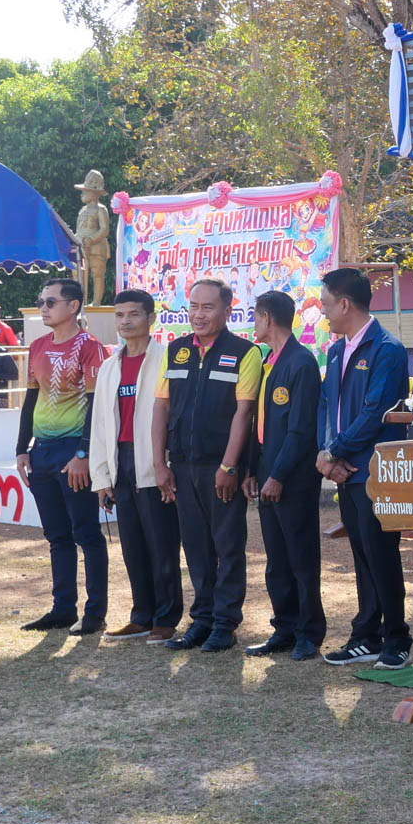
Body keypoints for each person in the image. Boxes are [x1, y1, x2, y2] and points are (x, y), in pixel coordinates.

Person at [152, 277, 263, 654]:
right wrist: (160, 463)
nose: (198, 315)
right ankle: (201, 619)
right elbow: (161, 406)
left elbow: (244, 413)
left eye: (208, 307)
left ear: (228, 310)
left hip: (220, 468)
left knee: (227, 547)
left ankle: (225, 623)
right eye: (194, 307)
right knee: (196, 547)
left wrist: (229, 467)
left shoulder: (245, 352)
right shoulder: (177, 350)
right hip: (181, 466)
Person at [315, 268, 413, 669]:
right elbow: (327, 405)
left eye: (325, 303)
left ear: (344, 304)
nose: (322, 311)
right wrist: (327, 452)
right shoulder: (336, 350)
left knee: (381, 553)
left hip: (373, 471)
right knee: (361, 553)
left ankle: (397, 638)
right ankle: (366, 635)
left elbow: (377, 413)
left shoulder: (387, 349)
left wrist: (334, 451)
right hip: (345, 469)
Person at [14, 278, 111, 634]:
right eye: (42, 301)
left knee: (87, 534)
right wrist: (22, 448)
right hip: (42, 452)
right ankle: (63, 609)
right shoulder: (37, 346)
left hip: (74, 451)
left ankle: (95, 613)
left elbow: (98, 404)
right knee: (56, 536)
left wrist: (84, 453)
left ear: (73, 306)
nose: (43, 307)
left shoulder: (91, 347)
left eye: (50, 302)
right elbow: (30, 399)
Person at [90, 289, 182, 644]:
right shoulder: (109, 366)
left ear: (151, 318)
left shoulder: (166, 360)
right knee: (131, 545)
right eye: (120, 315)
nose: (125, 321)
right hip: (120, 461)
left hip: (153, 460)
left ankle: (166, 618)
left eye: (133, 314)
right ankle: (141, 616)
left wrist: (166, 463)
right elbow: (100, 425)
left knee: (162, 543)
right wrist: (102, 477)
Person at [243, 290, 325, 661]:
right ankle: (285, 628)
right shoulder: (268, 360)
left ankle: (309, 633)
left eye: (255, 316)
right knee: (276, 558)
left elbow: (301, 430)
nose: (253, 324)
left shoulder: (301, 362)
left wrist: (277, 475)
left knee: (300, 557)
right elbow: (258, 423)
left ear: (267, 318)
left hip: (293, 476)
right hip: (267, 469)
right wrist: (252, 470)